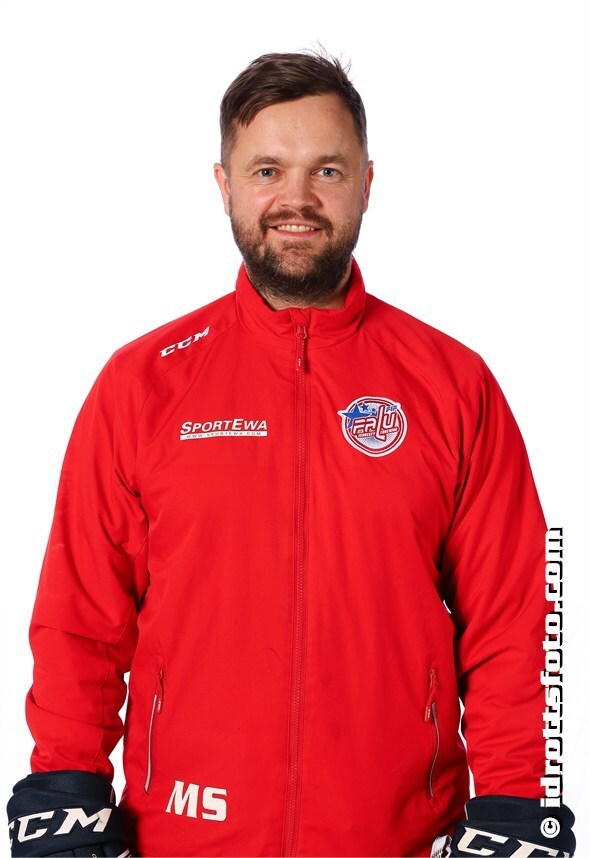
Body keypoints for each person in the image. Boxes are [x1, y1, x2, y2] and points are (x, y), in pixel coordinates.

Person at [6, 49, 576, 858]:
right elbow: (80, 619)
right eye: (268, 170)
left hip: (399, 840)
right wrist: (63, 790)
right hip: (186, 838)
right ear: (225, 185)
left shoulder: (453, 384)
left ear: (367, 184)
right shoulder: (143, 384)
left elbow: (517, 618)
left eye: (327, 171)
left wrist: (519, 803)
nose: (296, 200)